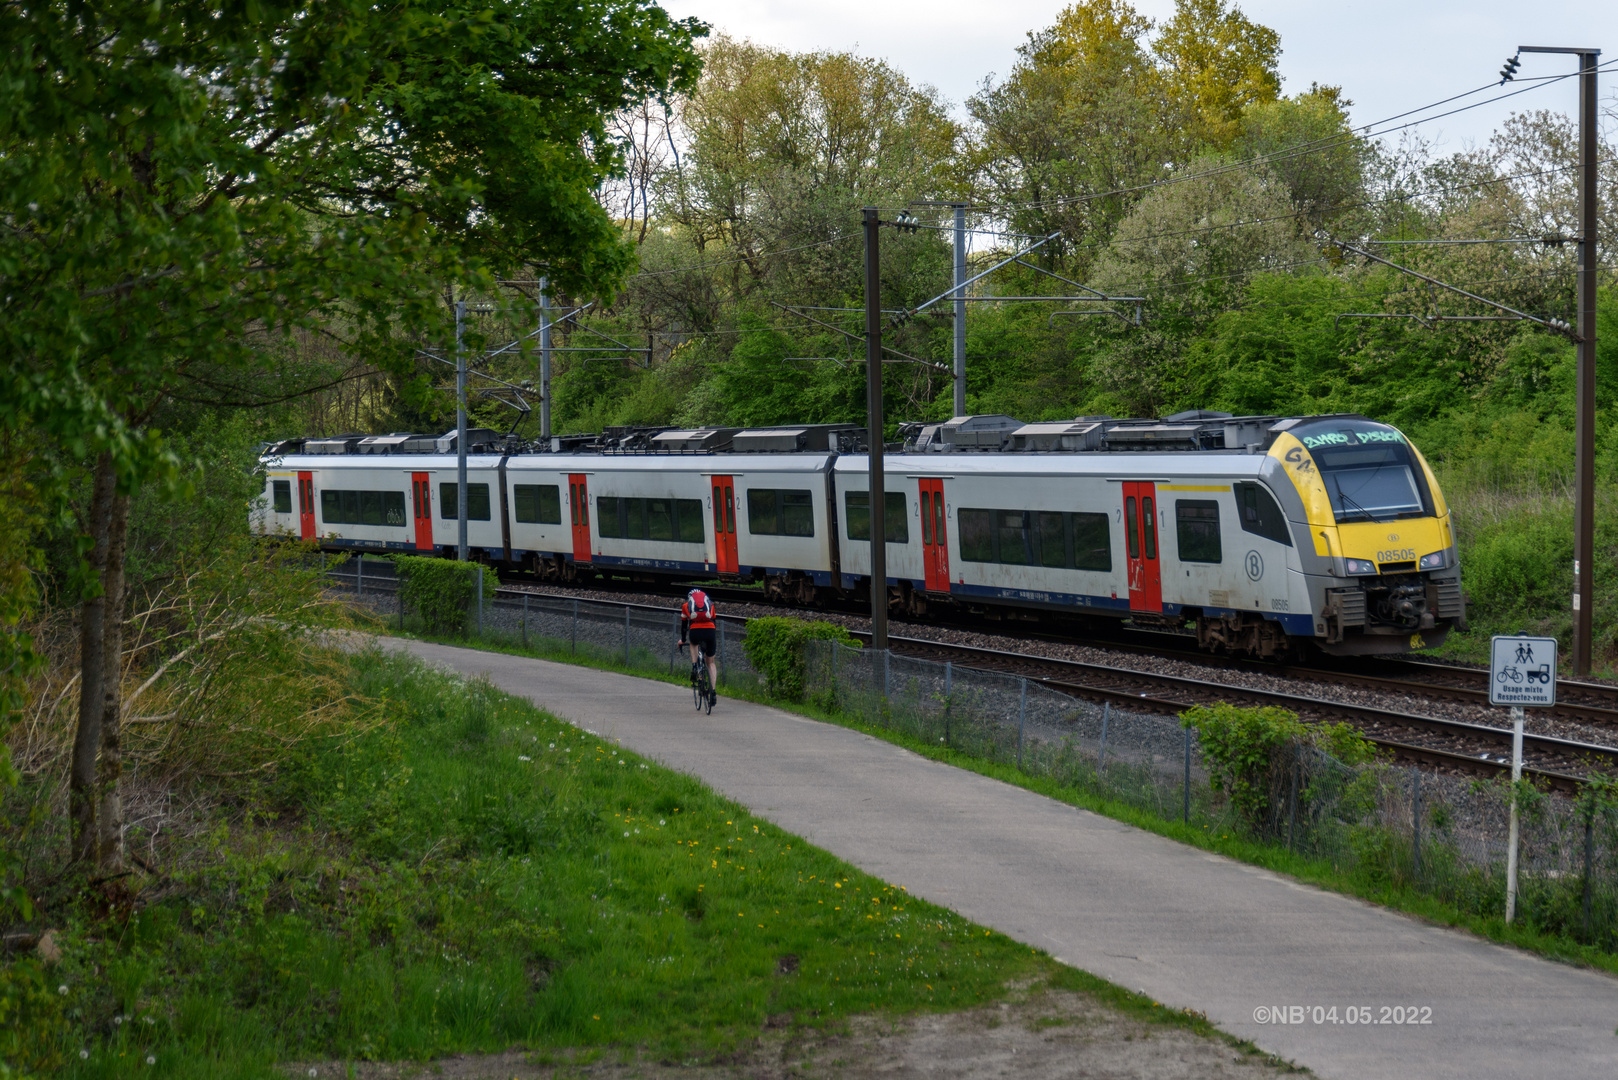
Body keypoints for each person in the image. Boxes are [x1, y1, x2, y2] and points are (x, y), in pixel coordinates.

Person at [678, 588, 719, 707]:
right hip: (710, 631)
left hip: (695, 631)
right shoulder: (710, 605)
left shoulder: (686, 606)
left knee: (693, 643)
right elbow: (714, 621)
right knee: (711, 662)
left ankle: (695, 666)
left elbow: (683, 626)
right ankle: (713, 691)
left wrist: (683, 640)